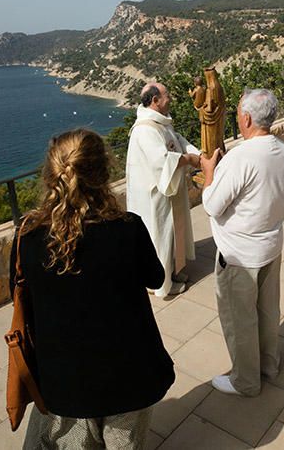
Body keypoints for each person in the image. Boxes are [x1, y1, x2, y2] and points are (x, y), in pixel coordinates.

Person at [15, 129, 174, 448]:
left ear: (51, 175)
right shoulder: (128, 229)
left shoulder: (28, 238)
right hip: (129, 374)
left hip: (67, 381)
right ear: (103, 173)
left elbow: (22, 299)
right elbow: (156, 278)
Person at [200, 90, 284, 398]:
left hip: (239, 254)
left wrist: (210, 174)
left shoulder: (241, 157)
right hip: (270, 245)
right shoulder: (278, 148)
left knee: (239, 319)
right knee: (267, 311)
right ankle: (269, 365)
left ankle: (246, 380)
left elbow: (213, 205)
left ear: (247, 118)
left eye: (239, 113)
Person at [126, 82, 201, 297]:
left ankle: (174, 271)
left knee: (173, 234)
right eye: (167, 96)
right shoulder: (145, 130)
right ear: (155, 100)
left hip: (168, 189)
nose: (170, 99)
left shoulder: (161, 123)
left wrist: (198, 154)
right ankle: (161, 284)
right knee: (160, 236)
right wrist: (188, 159)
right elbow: (162, 160)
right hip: (154, 195)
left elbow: (177, 141)